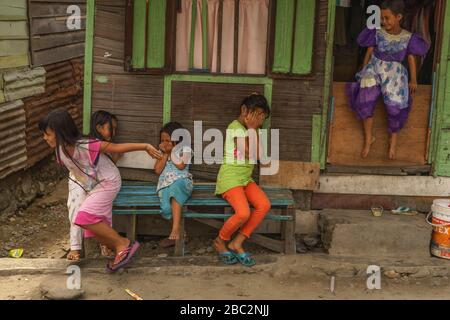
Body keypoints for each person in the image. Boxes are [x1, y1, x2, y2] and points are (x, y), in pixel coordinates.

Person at [39, 109, 162, 272]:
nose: (44, 138)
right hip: (94, 186)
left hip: (109, 181)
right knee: (91, 228)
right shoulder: (60, 151)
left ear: (60, 132)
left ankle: (122, 244)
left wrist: (145, 146)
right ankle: (121, 250)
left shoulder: (86, 145)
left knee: (83, 217)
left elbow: (117, 148)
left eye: (47, 133)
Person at [346, 0, 429, 159]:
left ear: (399, 17)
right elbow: (369, 51)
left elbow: (411, 58)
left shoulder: (407, 37)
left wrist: (413, 79)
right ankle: (369, 138)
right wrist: (364, 69)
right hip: (375, 67)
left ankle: (393, 140)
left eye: (387, 18)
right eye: (381, 18)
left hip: (395, 73)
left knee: (395, 108)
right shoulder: (377, 32)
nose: (383, 22)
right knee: (365, 99)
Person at [214, 93, 271, 267]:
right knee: (243, 213)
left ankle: (236, 242)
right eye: (256, 114)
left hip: (245, 179)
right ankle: (220, 241)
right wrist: (252, 129)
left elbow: (261, 157)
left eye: (262, 116)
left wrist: (254, 129)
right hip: (230, 179)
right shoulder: (235, 127)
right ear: (244, 110)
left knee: (264, 205)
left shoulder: (256, 130)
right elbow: (252, 154)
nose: (260, 119)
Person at [154, 122, 193, 248]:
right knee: (166, 209)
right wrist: (165, 154)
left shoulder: (185, 149)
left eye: (168, 140)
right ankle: (182, 233)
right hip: (165, 185)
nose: (165, 143)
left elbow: (181, 166)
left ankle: (176, 229)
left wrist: (171, 152)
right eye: (162, 140)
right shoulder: (163, 153)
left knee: (175, 188)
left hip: (182, 183)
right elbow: (157, 170)